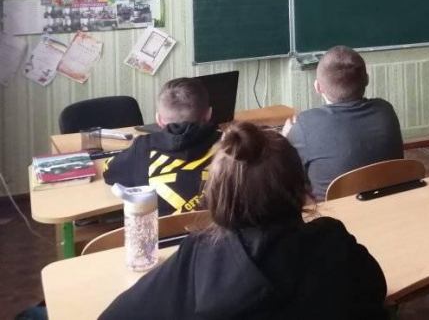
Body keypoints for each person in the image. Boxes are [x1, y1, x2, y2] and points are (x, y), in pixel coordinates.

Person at [100, 122, 388, 319]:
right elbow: (375, 292)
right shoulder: (333, 241)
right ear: (304, 190)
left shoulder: (201, 256)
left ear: (217, 196)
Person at [284, 45, 404, 200]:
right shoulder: (385, 110)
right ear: (367, 79)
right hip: (390, 204)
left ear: (318, 87)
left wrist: (284, 138)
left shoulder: (305, 125)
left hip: (335, 213)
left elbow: (285, 171)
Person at [103, 78, 219, 216]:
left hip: (162, 229)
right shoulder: (231, 145)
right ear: (209, 114)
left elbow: (109, 173)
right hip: (220, 227)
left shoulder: (143, 147)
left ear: (159, 120)